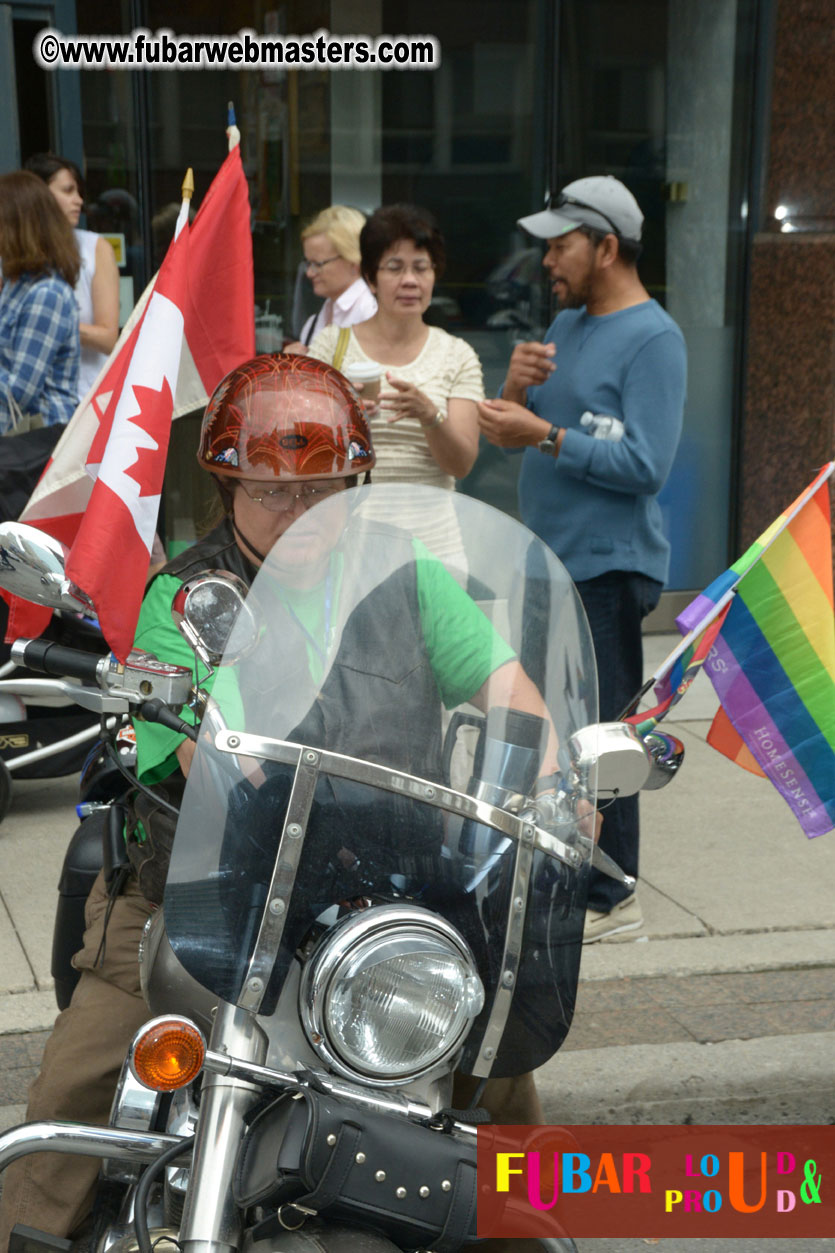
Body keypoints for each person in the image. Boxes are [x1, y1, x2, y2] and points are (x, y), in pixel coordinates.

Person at [0, 354, 548, 1247]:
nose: (301, 514)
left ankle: (533, 1228)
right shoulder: (185, 595)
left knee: (494, 1046)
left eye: (324, 488)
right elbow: (194, 754)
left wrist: (552, 779)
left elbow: (509, 686)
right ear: (228, 485)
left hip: (379, 888)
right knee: (76, 1082)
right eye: (272, 492)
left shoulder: (404, 573)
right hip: (204, 888)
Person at [476, 175, 687, 943]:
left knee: (602, 734)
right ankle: (566, 870)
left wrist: (546, 435)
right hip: (547, 558)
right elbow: (524, 434)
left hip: (606, 565)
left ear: (605, 246)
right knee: (551, 726)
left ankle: (614, 893)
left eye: (560, 246)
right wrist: (515, 394)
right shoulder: (567, 323)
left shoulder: (655, 338)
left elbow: (646, 465)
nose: (546, 263)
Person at [307, 204, 483, 559]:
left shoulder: (457, 354)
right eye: (394, 268)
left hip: (435, 548)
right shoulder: (330, 345)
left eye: (421, 268)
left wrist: (430, 415)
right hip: (348, 546)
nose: (410, 281)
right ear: (370, 278)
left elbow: (461, 464)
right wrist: (345, 416)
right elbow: (303, 448)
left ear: (435, 275)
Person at [25, 152, 120, 401]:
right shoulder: (12, 252)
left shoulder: (95, 248)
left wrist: (48, 321)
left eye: (78, 192)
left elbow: (109, 337)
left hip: (86, 402)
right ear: (39, 195)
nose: (78, 200)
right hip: (26, 403)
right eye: (68, 191)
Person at [0, 170, 79, 435]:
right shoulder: (14, 284)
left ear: (15, 228)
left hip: (35, 448)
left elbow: (18, 393)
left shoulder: (46, 294)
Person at [283, 204, 377, 352]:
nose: (310, 273)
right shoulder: (315, 321)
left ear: (353, 260)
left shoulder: (371, 313)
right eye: (308, 263)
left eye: (318, 264)